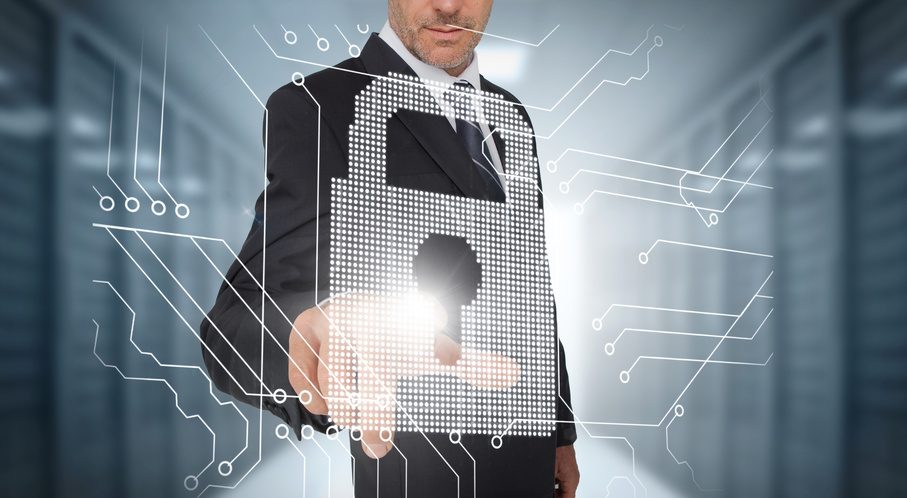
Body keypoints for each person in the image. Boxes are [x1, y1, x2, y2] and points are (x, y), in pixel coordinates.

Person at [200, 0, 580, 496]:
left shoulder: (512, 118)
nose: (448, 4)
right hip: (417, 469)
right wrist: (311, 340)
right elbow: (233, 328)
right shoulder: (323, 106)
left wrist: (558, 431)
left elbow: (528, 284)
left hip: (527, 463)